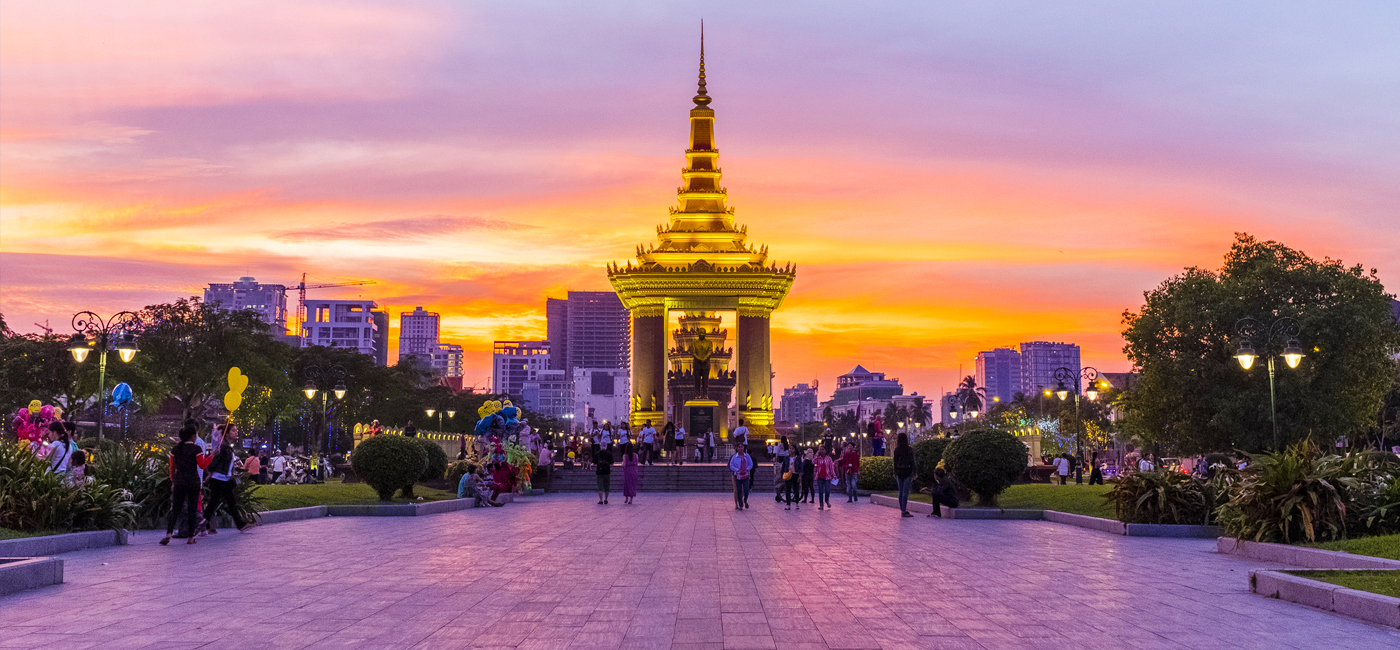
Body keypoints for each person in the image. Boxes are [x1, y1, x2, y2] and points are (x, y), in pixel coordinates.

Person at [204, 424, 252, 534]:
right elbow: (215, 461)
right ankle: (201, 523)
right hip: (219, 479)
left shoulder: (227, 446)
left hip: (224, 479)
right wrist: (210, 472)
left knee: (230, 502)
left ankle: (240, 524)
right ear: (227, 433)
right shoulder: (223, 446)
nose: (236, 432)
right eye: (233, 430)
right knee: (214, 503)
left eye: (236, 430)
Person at [161, 425, 205, 546]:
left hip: (180, 481)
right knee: (192, 510)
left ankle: (169, 534)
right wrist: (212, 456)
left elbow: (172, 467)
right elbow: (202, 465)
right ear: (193, 436)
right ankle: (190, 538)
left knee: (175, 509)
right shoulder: (197, 449)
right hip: (193, 482)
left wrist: (173, 479)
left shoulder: (176, 449)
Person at [892, 432, 915, 517]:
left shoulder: (896, 450)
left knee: (901, 492)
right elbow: (912, 461)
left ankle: (903, 509)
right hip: (907, 471)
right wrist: (914, 471)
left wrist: (895, 472)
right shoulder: (909, 449)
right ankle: (903, 511)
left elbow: (895, 462)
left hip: (899, 471)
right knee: (905, 492)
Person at [728, 443, 752, 509]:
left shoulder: (747, 456)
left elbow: (751, 464)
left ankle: (745, 500)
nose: (741, 448)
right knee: (738, 489)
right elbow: (731, 465)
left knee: (746, 489)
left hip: (746, 475)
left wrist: (746, 469)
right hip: (738, 475)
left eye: (742, 447)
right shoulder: (734, 457)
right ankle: (740, 503)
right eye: (739, 447)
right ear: (737, 448)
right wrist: (737, 470)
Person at [774, 437, 791, 503]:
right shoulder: (787, 445)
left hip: (781, 458)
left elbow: (777, 452)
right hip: (786, 458)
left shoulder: (780, 445)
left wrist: (776, 458)